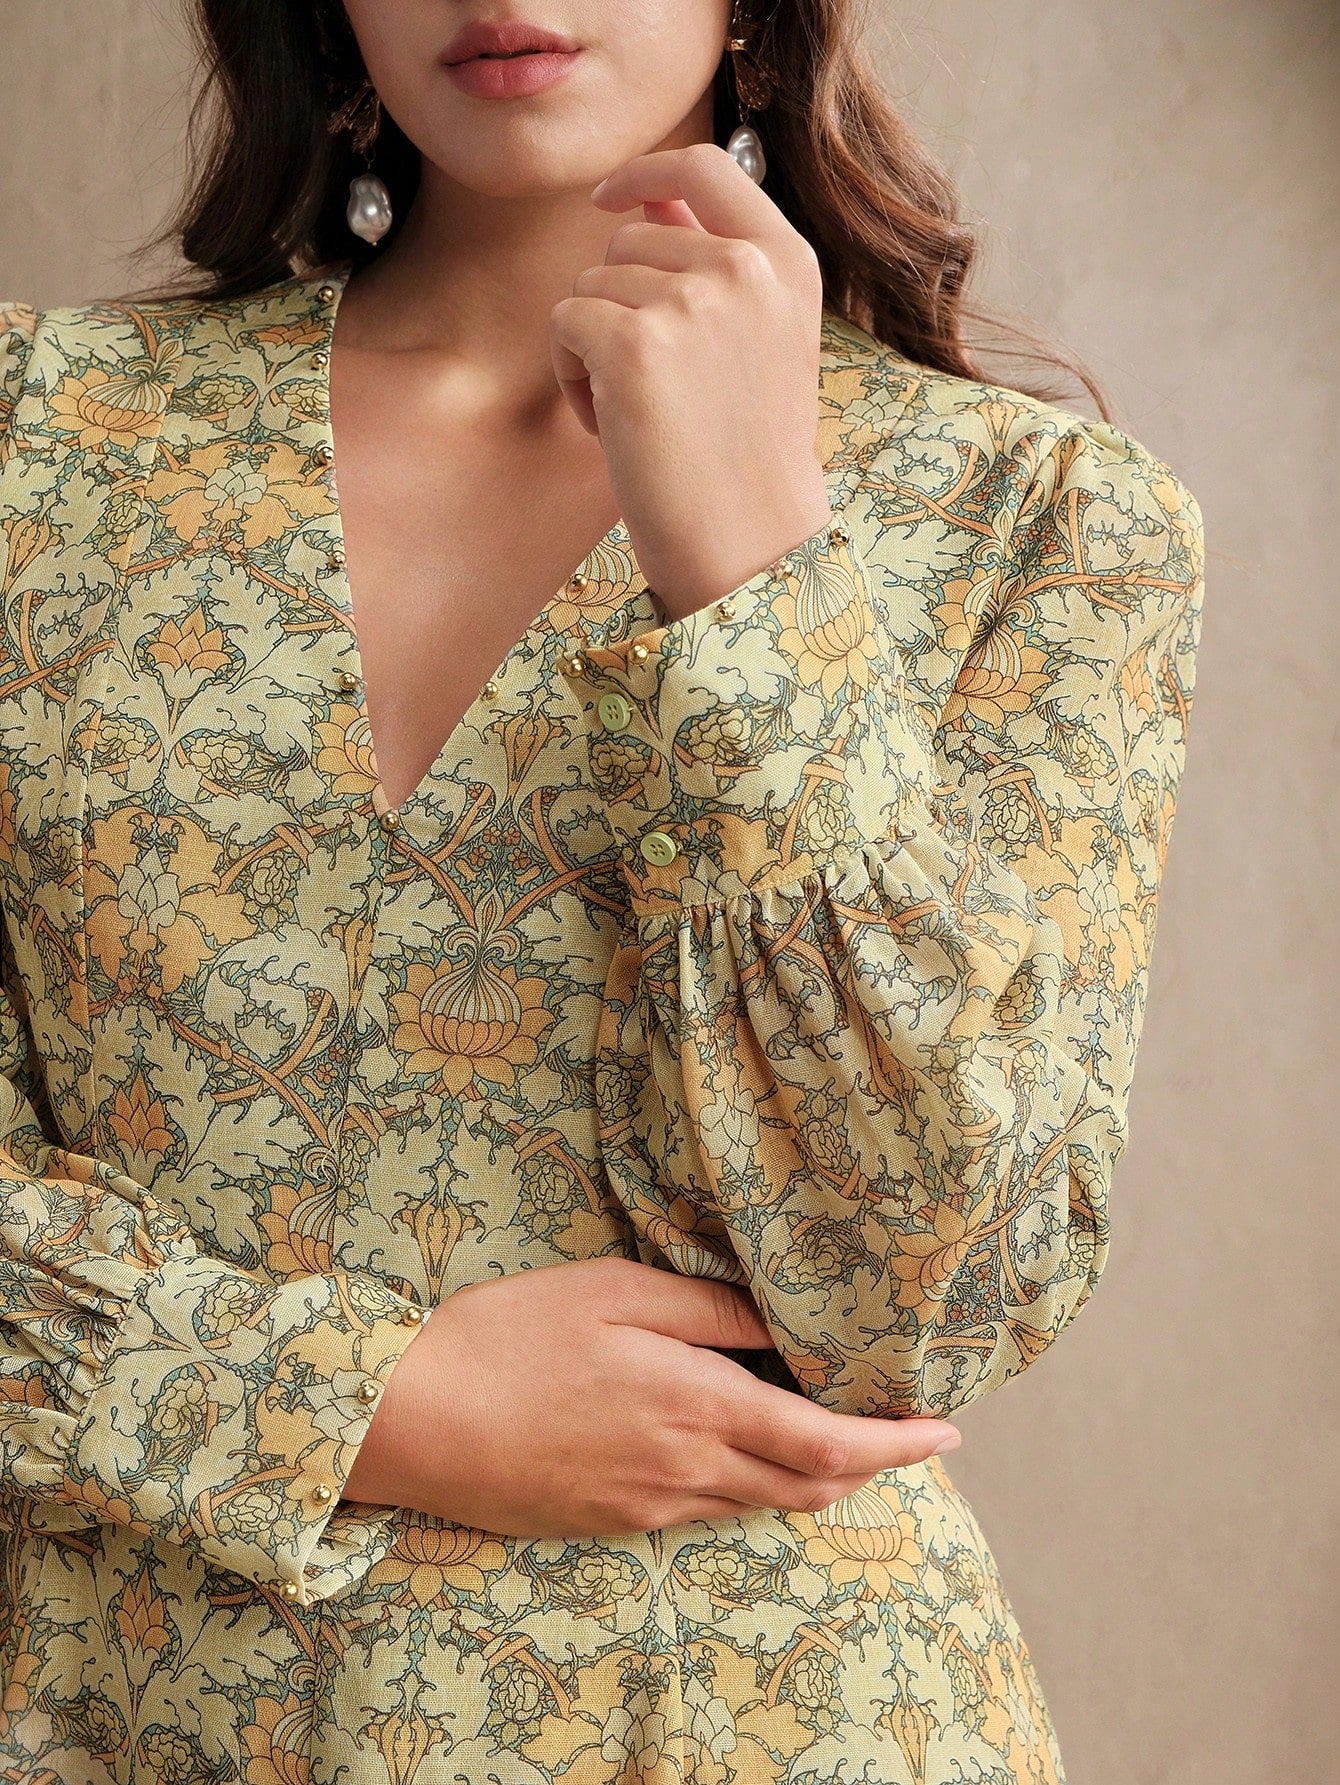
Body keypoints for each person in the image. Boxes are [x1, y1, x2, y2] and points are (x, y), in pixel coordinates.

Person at [0, 2, 1205, 1780]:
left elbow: (927, 1294)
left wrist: (754, 560)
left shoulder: (1041, 520)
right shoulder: (42, 447)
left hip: (753, 1723)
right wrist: (376, 1404)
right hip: (128, 1713)